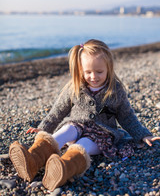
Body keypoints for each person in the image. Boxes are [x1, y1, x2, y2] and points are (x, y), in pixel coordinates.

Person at [9, 39, 160, 192]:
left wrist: (143, 135)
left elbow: (127, 117)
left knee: (81, 146)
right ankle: (33, 160)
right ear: (80, 70)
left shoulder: (115, 90)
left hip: (101, 136)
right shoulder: (75, 86)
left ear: (109, 68)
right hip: (77, 126)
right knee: (65, 131)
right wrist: (42, 128)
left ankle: (63, 169)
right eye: (88, 72)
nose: (93, 76)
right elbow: (57, 111)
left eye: (99, 72)